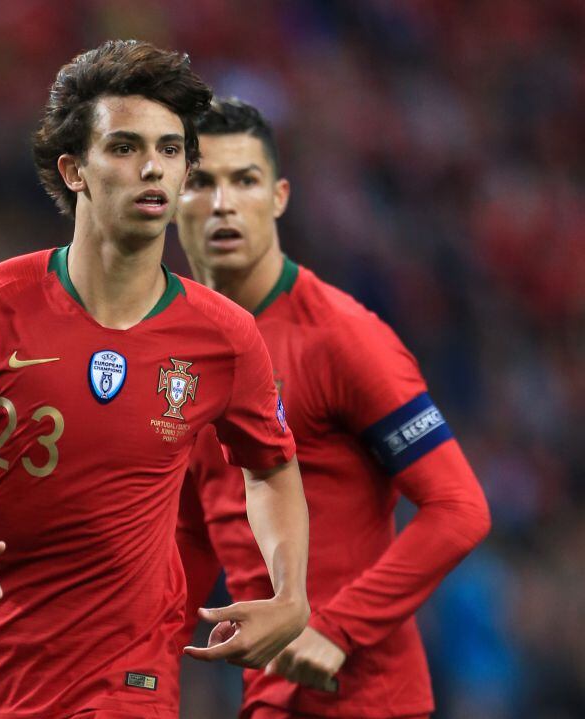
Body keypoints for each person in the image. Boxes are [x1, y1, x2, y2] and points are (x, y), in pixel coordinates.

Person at [0, 42, 311, 719]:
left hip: (128, 682)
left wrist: (290, 594)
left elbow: (271, 468)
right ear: (75, 170)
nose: (152, 166)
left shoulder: (225, 337)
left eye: (171, 149)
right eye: (124, 147)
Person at [174, 98, 492, 719]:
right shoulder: (177, 352)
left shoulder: (341, 336)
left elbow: (460, 509)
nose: (222, 203)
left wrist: (338, 629)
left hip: (368, 701)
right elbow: (193, 533)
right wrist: (138, 671)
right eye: (200, 182)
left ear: (279, 196)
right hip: (265, 699)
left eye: (245, 181)